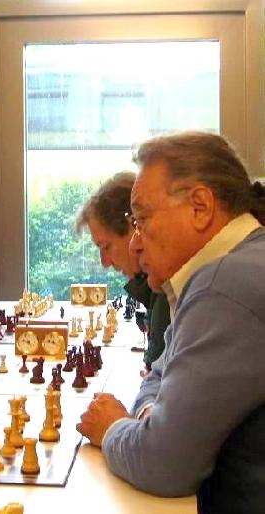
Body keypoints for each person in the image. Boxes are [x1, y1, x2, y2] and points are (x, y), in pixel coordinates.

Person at [77, 132, 265, 514]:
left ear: (200, 207)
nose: (135, 243)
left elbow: (161, 465)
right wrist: (153, 416)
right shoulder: (227, 269)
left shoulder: (224, 284)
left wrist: (112, 427)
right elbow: (159, 373)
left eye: (142, 219)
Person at [75, 171, 170, 372]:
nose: (104, 262)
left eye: (105, 246)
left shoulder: (168, 294)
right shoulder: (156, 292)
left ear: (135, 229)